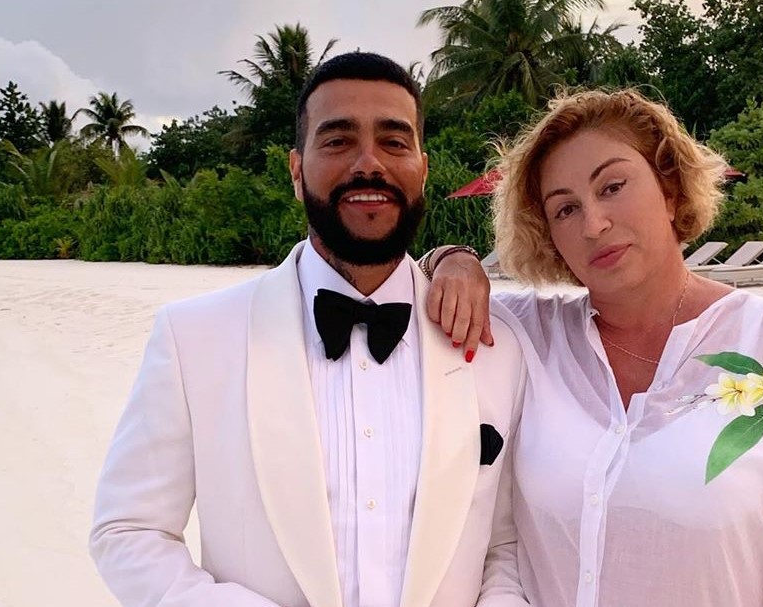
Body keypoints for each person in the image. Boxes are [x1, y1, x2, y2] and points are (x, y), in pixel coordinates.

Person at [90, 52, 527, 607]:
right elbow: (129, 530)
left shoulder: (497, 345)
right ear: (296, 172)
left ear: (422, 168)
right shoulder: (193, 337)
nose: (369, 163)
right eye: (338, 140)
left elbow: (505, 546)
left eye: (394, 142)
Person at [426, 89, 763, 607]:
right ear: (549, 237)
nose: (594, 224)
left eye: (612, 187)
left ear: (670, 190)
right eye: (565, 209)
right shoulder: (527, 337)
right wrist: (454, 259)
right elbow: (404, 285)